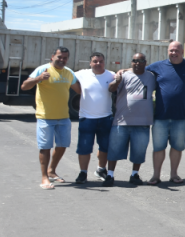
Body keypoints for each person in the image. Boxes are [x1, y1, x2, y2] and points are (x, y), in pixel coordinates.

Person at [21, 46, 82, 189]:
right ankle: (44, 178)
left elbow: (79, 90)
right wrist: (38, 78)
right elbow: (24, 86)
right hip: (45, 116)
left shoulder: (69, 72)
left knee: (62, 146)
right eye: (59, 57)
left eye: (65, 58)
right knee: (45, 147)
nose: (62, 60)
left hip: (64, 117)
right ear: (52, 57)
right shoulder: (42, 69)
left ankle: (52, 171)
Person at [146, 41, 185, 185]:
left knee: (177, 147)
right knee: (158, 148)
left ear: (182, 51)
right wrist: (123, 70)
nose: (174, 53)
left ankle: (174, 174)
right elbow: (139, 70)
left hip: (181, 117)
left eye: (176, 50)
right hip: (160, 117)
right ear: (168, 51)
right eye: (171, 50)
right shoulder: (158, 66)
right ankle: (156, 175)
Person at [102, 53, 156, 187]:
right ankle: (110, 175)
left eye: (141, 61)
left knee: (139, 151)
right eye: (134, 61)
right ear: (131, 62)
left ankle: (134, 174)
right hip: (122, 121)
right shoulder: (124, 76)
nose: (137, 63)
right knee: (114, 149)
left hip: (143, 123)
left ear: (145, 62)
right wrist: (117, 80)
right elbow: (111, 88)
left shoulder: (151, 76)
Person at [73, 52, 115, 184]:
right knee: (84, 148)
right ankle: (83, 173)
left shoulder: (111, 75)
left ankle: (101, 169)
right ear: (90, 63)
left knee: (105, 147)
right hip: (86, 118)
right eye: (95, 61)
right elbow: (66, 75)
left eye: (101, 61)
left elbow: (123, 75)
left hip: (105, 118)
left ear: (104, 62)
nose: (98, 64)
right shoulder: (82, 74)